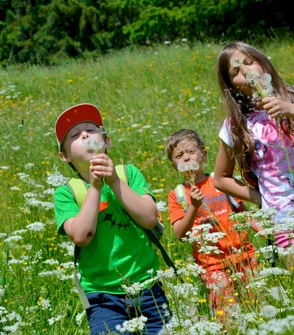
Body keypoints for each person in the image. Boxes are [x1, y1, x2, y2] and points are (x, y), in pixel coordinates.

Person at [53, 103, 171, 335]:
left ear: (106, 141)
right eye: (75, 135)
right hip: (103, 298)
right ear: (64, 156)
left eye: (91, 129)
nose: (85, 134)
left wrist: (114, 182)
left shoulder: (128, 174)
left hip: (148, 288)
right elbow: (80, 236)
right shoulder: (67, 192)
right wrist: (95, 188)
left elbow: (149, 218)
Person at [166, 128, 261, 312]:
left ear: (204, 156)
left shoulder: (221, 182)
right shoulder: (176, 195)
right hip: (212, 266)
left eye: (191, 152)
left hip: (245, 257)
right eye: (179, 155)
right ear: (173, 165)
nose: (186, 158)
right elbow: (179, 233)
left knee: (257, 305)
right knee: (227, 312)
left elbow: (244, 214)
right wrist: (193, 206)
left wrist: (266, 231)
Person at [214, 41, 294, 251]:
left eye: (249, 62)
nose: (247, 72)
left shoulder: (292, 99)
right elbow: (221, 179)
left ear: (263, 63)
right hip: (283, 218)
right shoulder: (236, 126)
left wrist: (290, 110)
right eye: (236, 72)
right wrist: (264, 199)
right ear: (232, 85)